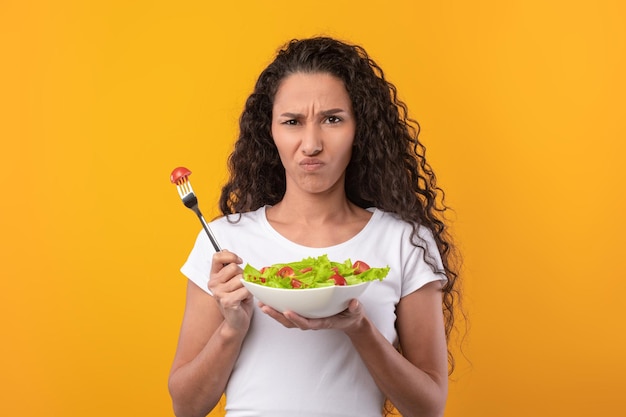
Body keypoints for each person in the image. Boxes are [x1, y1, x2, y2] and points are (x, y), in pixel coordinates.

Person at [168, 36, 461, 417]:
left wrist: (359, 328)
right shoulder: (224, 241)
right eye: (292, 122)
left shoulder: (404, 241)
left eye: (332, 119)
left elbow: (429, 408)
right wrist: (232, 328)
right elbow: (186, 407)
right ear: (270, 132)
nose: (311, 144)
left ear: (360, 129)